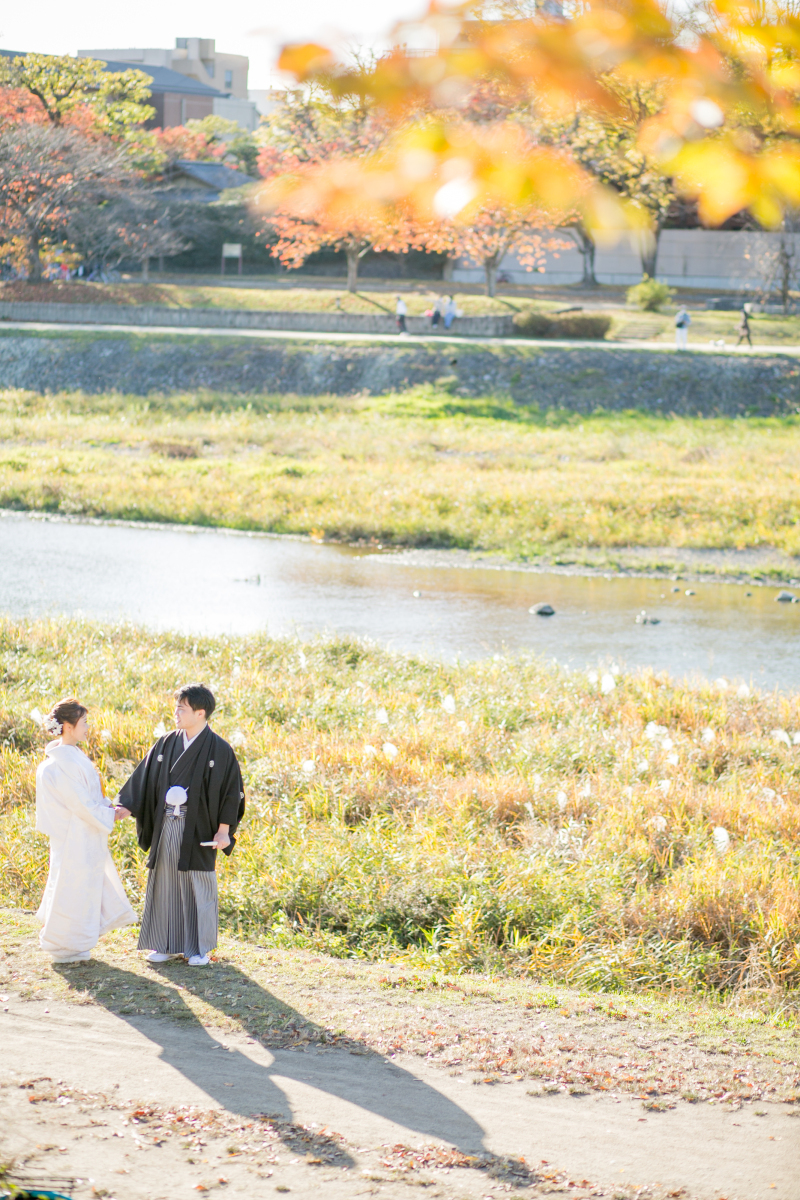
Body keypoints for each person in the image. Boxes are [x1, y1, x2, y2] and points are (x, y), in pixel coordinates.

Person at [116, 684, 245, 967]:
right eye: (176, 707)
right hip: (166, 824)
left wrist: (224, 831)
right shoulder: (166, 743)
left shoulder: (220, 749)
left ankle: (199, 949)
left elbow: (230, 792)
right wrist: (123, 807)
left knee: (198, 884)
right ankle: (164, 943)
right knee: (164, 882)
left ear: (200, 713)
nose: (176, 713)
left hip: (198, 826)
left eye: (182, 708)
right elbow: (144, 779)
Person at [35, 698, 135, 964]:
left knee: (80, 887)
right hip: (74, 835)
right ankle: (63, 944)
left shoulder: (70, 756)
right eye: (84, 722)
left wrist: (107, 807)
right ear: (67, 726)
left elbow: (90, 796)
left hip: (83, 832)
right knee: (72, 887)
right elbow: (79, 803)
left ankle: (75, 941)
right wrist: (108, 813)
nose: (88, 727)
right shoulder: (61, 762)